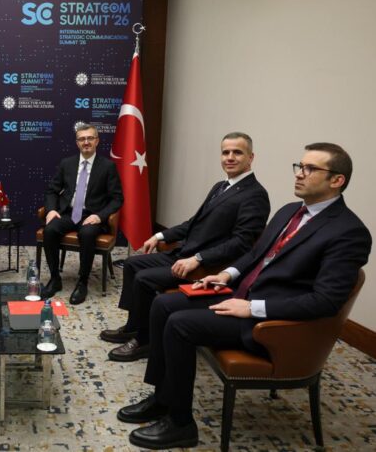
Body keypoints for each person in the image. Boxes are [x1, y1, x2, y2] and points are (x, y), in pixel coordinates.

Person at [117, 143, 371, 450]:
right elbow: (255, 254)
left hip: (271, 321)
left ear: (337, 180)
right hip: (241, 293)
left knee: (180, 325)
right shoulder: (290, 211)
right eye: (299, 166)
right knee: (162, 304)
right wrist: (226, 275)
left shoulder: (348, 232)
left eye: (310, 169)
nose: (299, 174)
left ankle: (181, 424)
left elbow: (325, 302)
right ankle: (162, 398)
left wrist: (253, 308)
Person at [103, 132, 270, 362]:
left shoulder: (255, 195)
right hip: (183, 254)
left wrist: (198, 258)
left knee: (144, 279)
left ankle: (145, 340)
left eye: (237, 152)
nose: (230, 157)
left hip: (206, 266)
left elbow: (241, 244)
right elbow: (193, 223)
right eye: (225, 152)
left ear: (251, 157)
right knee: (132, 264)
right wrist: (159, 235)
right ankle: (134, 325)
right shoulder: (221, 186)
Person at [41, 123, 123, 305]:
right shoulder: (67, 163)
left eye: (90, 138)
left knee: (87, 234)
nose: (86, 142)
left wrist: (100, 216)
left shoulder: (108, 166)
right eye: (82, 139)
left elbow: (117, 199)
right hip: (69, 213)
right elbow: (52, 190)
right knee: (50, 230)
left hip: (92, 215)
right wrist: (51, 209)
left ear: (97, 141)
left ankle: (82, 282)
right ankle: (55, 279)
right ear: (77, 143)